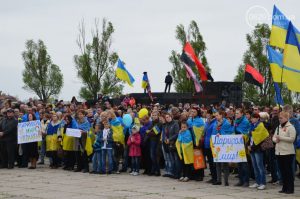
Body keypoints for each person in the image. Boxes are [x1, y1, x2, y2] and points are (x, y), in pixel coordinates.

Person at [273, 111, 296, 194]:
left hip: (288, 152)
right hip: (279, 152)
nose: (280, 119)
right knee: (282, 171)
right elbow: (274, 137)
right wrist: (276, 140)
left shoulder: (291, 127)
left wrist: (281, 138)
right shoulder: (278, 127)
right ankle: (284, 187)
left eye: (281, 118)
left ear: (286, 118)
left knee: (288, 171)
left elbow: (292, 139)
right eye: (279, 118)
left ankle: (290, 188)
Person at [248, 113, 269, 190]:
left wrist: (252, 147)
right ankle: (257, 182)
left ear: (257, 118)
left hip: (258, 149)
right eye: (251, 118)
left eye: (253, 118)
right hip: (252, 148)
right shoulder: (251, 125)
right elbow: (249, 136)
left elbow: (260, 139)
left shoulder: (261, 125)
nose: (251, 119)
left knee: (260, 166)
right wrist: (248, 145)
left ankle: (263, 183)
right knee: (255, 166)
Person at [212, 110, 233, 186]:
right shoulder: (215, 123)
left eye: (217, 115)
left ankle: (226, 180)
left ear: (221, 115)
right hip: (217, 145)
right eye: (215, 116)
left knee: (225, 164)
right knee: (217, 163)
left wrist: (220, 133)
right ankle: (218, 180)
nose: (216, 117)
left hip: (225, 145)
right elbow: (213, 133)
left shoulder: (226, 123)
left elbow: (229, 133)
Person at [234, 108, 251, 187]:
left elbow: (244, 132)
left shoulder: (245, 121)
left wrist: (236, 130)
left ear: (241, 114)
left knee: (244, 164)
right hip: (237, 144)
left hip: (243, 144)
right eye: (235, 113)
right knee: (239, 164)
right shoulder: (236, 121)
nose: (236, 114)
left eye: (237, 113)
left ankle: (246, 181)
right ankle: (240, 180)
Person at [203, 109, 217, 184]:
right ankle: (213, 177)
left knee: (213, 162)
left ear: (211, 114)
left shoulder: (214, 123)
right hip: (206, 144)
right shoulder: (207, 122)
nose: (206, 115)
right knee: (210, 163)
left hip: (211, 144)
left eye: (207, 114)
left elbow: (213, 134)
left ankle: (216, 178)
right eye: (206, 114)